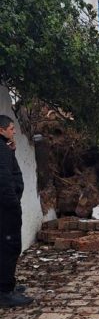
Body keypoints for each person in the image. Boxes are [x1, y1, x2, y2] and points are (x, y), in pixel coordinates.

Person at [0, 115, 33, 307]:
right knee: (9, 247)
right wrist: (13, 204)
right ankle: (4, 291)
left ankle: (7, 284)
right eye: (11, 128)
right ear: (1, 129)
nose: (14, 131)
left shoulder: (5, 149)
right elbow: (4, 180)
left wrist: (11, 150)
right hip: (6, 209)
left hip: (7, 207)